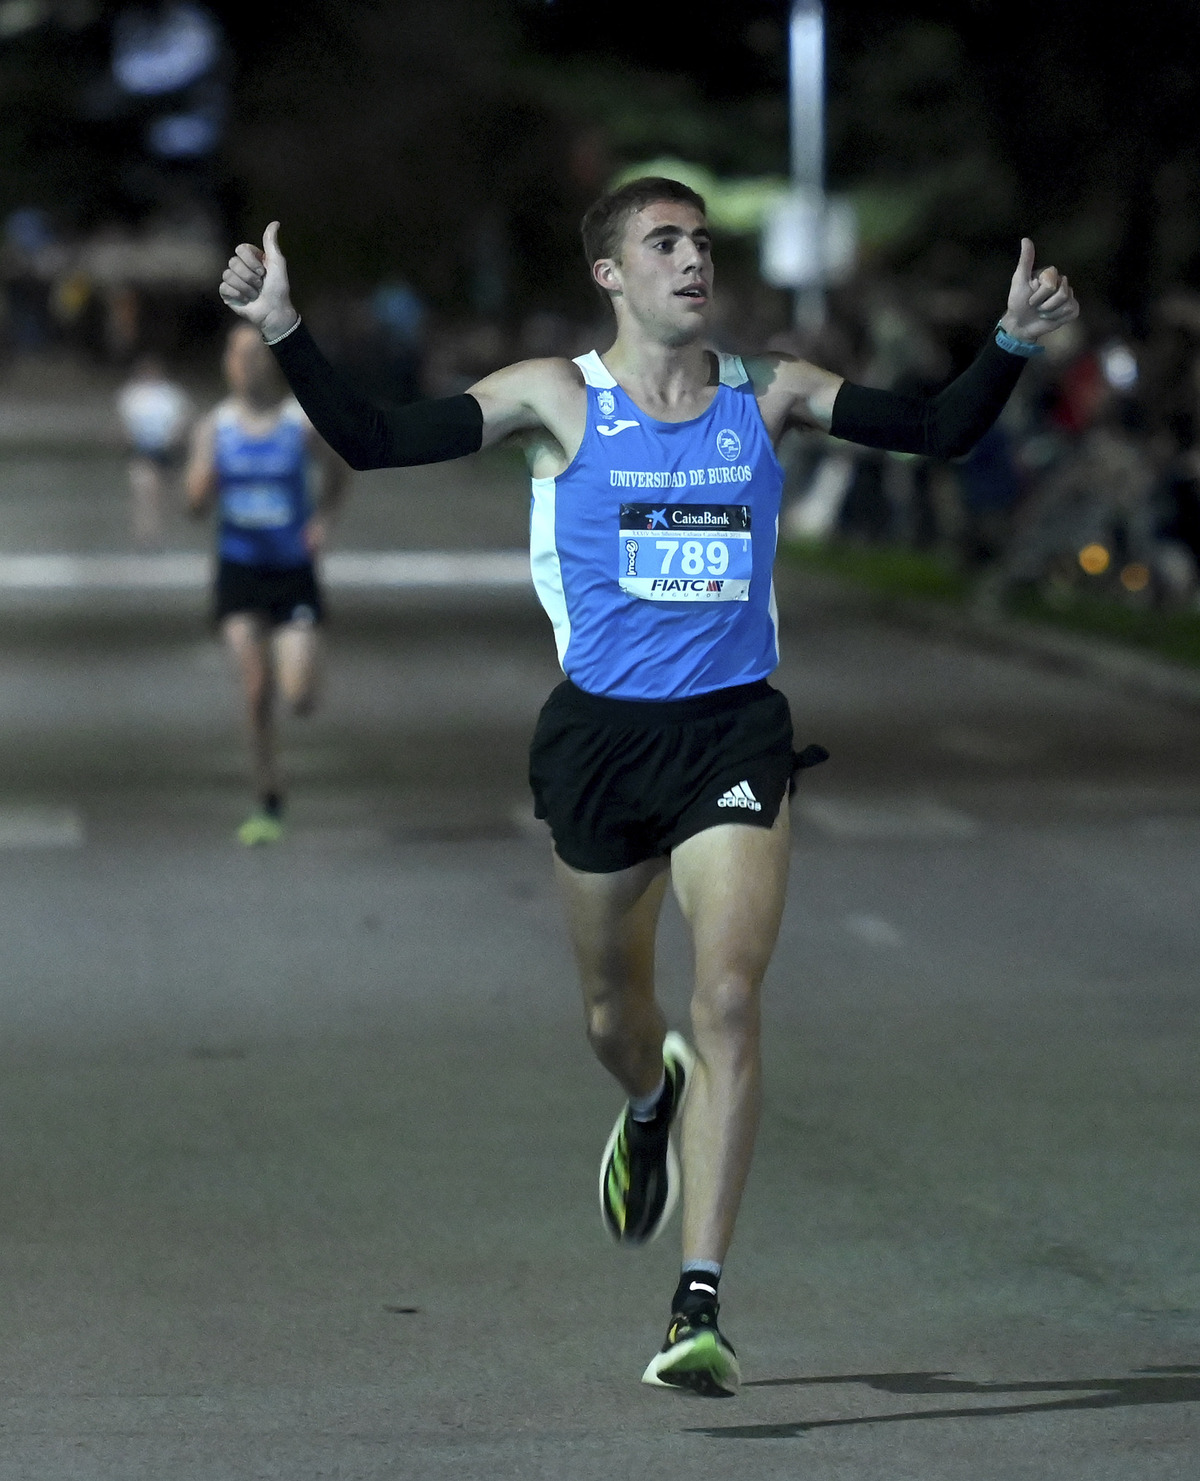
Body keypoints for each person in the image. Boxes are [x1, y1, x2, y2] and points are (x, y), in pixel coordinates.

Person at [218, 178, 1079, 1394]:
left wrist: (1009, 344)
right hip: (599, 747)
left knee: (726, 996)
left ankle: (699, 1298)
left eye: (702, 243)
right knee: (618, 1020)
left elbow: (937, 430)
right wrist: (283, 328)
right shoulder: (552, 396)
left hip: (733, 734)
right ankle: (644, 1096)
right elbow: (371, 438)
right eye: (663, 243)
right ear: (611, 274)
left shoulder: (769, 393)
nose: (692, 261)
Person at [185, 323, 349, 845]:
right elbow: (193, 505)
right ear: (226, 365)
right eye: (237, 355)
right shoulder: (214, 428)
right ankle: (267, 796)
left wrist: (323, 517)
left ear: (270, 363)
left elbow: (342, 466)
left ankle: (304, 670)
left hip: (292, 571)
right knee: (256, 691)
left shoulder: (297, 423)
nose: (246, 363)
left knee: (297, 696)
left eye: (256, 354)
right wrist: (202, 485)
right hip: (238, 573)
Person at [116, 354, 193, 547]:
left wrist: (176, 438)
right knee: (145, 492)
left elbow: (185, 417)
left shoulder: (171, 394)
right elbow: (123, 423)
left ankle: (165, 533)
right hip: (144, 451)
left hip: (168, 450)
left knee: (167, 496)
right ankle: (146, 535)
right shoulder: (132, 395)